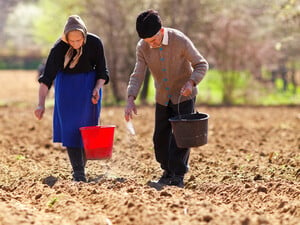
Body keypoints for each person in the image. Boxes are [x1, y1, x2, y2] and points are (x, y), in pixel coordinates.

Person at [124, 9, 208, 188]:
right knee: (159, 139)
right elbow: (138, 74)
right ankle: (167, 171)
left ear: (161, 31)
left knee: (181, 138)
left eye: (154, 40)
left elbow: (201, 64)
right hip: (163, 96)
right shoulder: (143, 47)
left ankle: (177, 175)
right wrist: (131, 98)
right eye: (148, 42)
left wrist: (191, 82)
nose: (151, 45)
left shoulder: (180, 40)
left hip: (184, 96)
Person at [34, 15, 109, 182]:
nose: (75, 44)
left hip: (89, 89)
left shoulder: (95, 43)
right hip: (66, 90)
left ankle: (80, 168)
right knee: (70, 130)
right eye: (71, 41)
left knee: (87, 131)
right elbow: (46, 79)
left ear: (84, 34)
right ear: (66, 37)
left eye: (79, 40)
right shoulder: (58, 49)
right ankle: (78, 173)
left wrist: (97, 88)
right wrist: (40, 105)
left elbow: (103, 71)